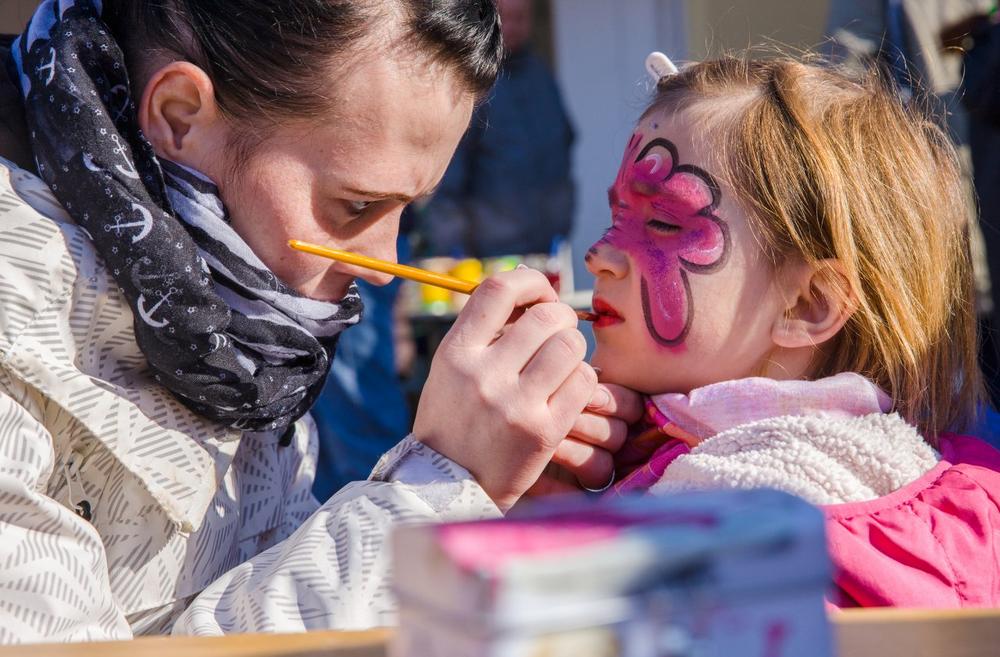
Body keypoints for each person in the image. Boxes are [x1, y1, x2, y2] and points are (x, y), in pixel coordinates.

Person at [0, 0, 639, 641]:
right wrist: (431, 492)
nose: (385, 266)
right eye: (356, 204)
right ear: (179, 117)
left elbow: (246, 585)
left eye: (406, 211)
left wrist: (480, 508)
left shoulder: (240, 315)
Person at [591, 55, 1000, 607]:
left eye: (663, 223)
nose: (600, 256)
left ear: (808, 304)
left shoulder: (728, 536)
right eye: (617, 217)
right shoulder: (949, 485)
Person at [418, 0, 575, 258]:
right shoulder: (473, 80)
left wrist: (563, 216)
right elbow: (450, 170)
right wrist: (450, 248)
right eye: (505, 17)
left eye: (520, 18)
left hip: (546, 244)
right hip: (488, 250)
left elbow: (565, 141)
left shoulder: (542, 76)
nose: (512, 26)